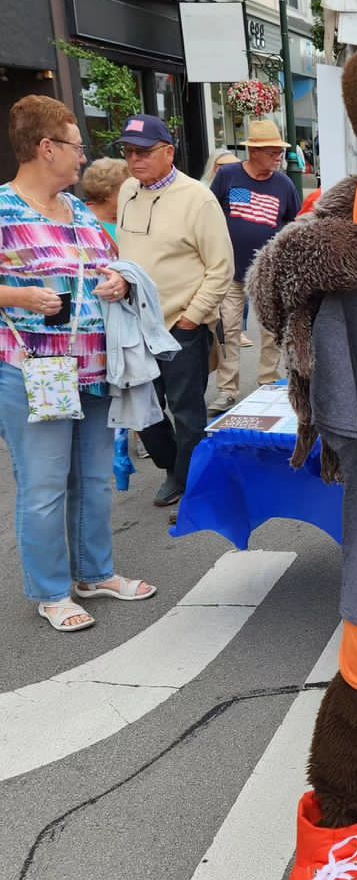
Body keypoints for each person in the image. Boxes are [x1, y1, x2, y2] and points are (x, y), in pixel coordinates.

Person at [0, 96, 156, 631]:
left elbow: (108, 268)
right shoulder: (3, 207)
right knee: (43, 485)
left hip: (91, 368)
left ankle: (94, 573)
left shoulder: (78, 213)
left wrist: (118, 280)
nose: (82, 158)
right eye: (76, 145)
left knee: (92, 478)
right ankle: (51, 590)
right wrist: (18, 298)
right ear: (47, 148)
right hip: (32, 368)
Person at [115, 114, 233, 508]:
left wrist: (191, 318)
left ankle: (187, 478)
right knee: (143, 411)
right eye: (129, 152)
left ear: (169, 152)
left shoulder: (198, 198)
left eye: (144, 152)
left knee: (186, 411)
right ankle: (173, 464)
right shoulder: (127, 191)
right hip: (135, 324)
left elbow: (221, 268)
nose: (135, 160)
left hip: (179, 324)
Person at [207, 119, 299, 414]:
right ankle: (227, 389)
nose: (278, 157)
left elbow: (295, 223)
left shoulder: (284, 184)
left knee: (271, 331)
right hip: (229, 271)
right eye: (272, 152)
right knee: (229, 331)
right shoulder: (229, 176)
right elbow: (207, 213)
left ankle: (268, 384)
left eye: (279, 152)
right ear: (254, 151)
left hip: (267, 273)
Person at [79, 157, 131, 246]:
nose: (133, 194)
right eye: (127, 189)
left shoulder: (131, 219)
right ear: (108, 193)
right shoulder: (79, 219)